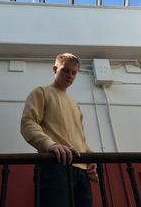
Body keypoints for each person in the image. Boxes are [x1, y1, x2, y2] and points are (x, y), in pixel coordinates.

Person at [21, 53, 98, 207]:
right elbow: (28, 123)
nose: (70, 75)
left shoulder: (75, 106)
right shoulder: (41, 92)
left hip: (82, 172)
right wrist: (51, 145)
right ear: (55, 69)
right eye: (66, 70)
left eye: (74, 73)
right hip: (54, 165)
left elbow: (80, 139)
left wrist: (90, 160)